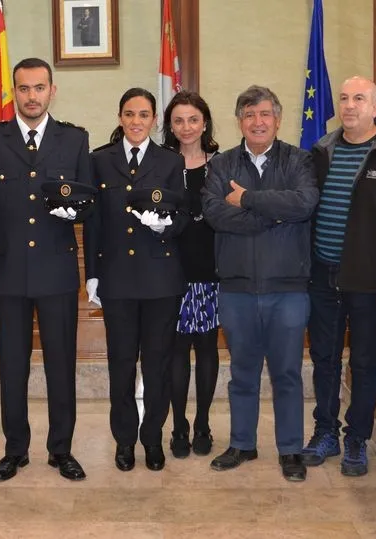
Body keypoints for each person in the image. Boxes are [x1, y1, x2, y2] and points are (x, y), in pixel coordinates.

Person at [0, 58, 90, 482]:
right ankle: (14, 449)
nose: (31, 96)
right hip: (7, 273)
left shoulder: (74, 139)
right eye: (23, 88)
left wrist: (75, 207)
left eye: (39, 88)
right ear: (13, 92)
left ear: (52, 90)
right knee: (11, 366)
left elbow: (87, 202)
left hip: (56, 273)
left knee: (61, 365)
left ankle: (62, 450)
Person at [303, 77, 376, 477]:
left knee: (365, 362)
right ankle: (325, 432)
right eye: (344, 98)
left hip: (369, 281)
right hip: (323, 276)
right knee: (324, 358)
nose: (349, 105)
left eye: (359, 98)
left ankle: (357, 438)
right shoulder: (322, 151)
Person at [201, 85, 318, 481]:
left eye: (265, 114)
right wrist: (274, 211)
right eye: (249, 115)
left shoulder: (299, 160)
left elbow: (303, 204)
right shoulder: (221, 165)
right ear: (240, 122)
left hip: (288, 288)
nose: (258, 122)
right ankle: (242, 444)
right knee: (243, 372)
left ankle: (290, 450)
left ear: (278, 119)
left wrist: (248, 199)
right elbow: (216, 214)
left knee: (287, 372)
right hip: (236, 288)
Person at [85, 88, 188, 472]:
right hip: (117, 280)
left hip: (161, 279)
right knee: (121, 364)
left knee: (158, 364)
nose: (136, 122)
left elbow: (181, 217)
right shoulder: (100, 160)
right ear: (119, 117)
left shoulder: (170, 160)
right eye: (129, 114)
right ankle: (125, 441)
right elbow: (94, 222)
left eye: (143, 114)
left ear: (154, 119)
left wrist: (165, 225)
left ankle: (153, 438)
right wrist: (92, 275)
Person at [161, 91, 221, 459]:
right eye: (178, 120)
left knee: (208, 348)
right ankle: (179, 426)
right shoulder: (161, 164)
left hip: (212, 270)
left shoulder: (223, 163)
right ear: (170, 125)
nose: (186, 127)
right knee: (176, 351)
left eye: (193, 120)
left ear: (205, 123)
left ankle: (203, 424)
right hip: (170, 270)